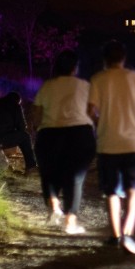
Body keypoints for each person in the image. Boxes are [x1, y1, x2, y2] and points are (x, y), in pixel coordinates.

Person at [88, 40, 135, 255]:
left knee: (111, 193)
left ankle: (116, 236)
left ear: (105, 59)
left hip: (108, 144)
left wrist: (101, 123)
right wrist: (131, 111)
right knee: (132, 191)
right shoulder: (134, 78)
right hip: (133, 143)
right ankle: (128, 233)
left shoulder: (98, 79)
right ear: (123, 58)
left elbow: (90, 111)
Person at [32, 50, 97, 235]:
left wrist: (38, 127)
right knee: (75, 178)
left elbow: (36, 113)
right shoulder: (84, 85)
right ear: (75, 68)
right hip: (80, 135)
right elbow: (93, 112)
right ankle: (70, 221)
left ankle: (53, 208)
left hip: (50, 135)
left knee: (49, 173)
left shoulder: (47, 86)